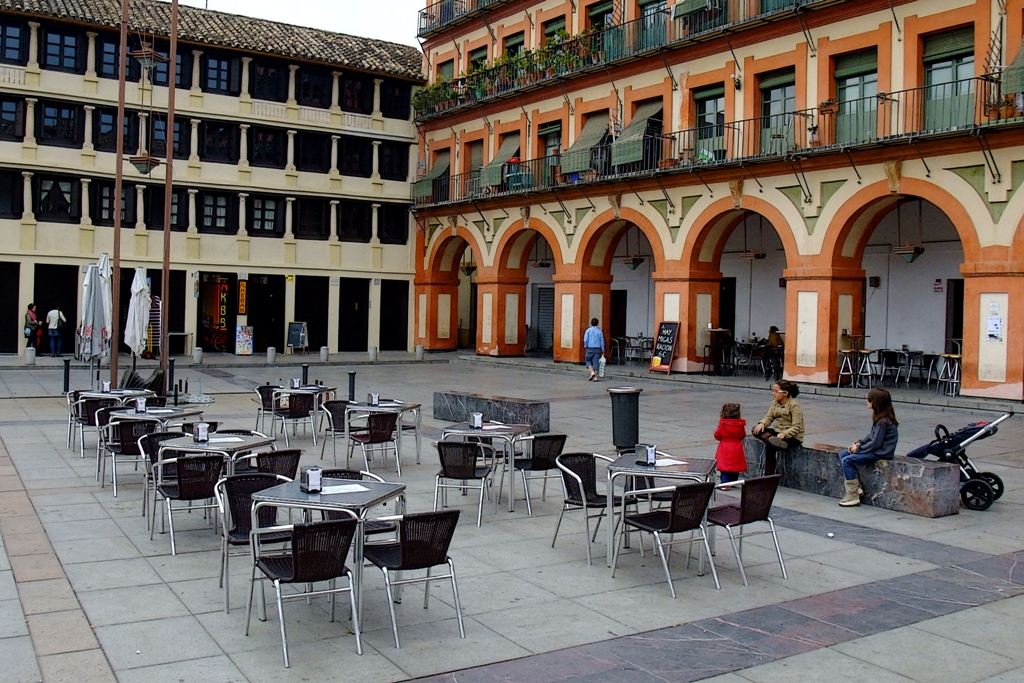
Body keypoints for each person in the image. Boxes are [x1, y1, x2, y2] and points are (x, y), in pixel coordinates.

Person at [838, 388, 899, 507]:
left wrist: (859, 449)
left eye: (869, 399)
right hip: (876, 449)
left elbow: (875, 443)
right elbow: (870, 436)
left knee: (847, 460)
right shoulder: (880, 418)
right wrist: (858, 443)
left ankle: (852, 494)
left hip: (881, 452)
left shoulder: (884, 422)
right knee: (843, 454)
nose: (866, 401)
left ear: (876, 403)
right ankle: (857, 487)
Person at [751, 379, 804, 474]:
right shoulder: (774, 403)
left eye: (776, 391)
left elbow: (797, 426)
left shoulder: (794, 406)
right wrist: (762, 423)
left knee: (770, 446)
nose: (773, 393)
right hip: (778, 432)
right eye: (773, 391)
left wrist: (785, 434)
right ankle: (772, 439)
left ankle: (768, 475)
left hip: (792, 436)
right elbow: (769, 417)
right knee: (756, 430)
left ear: (785, 393)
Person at [714, 403, 747, 487]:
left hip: (725, 446)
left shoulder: (723, 424)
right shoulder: (740, 425)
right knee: (735, 466)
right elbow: (742, 435)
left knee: (725, 467)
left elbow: (717, 435)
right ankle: (733, 482)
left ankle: (724, 483)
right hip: (737, 447)